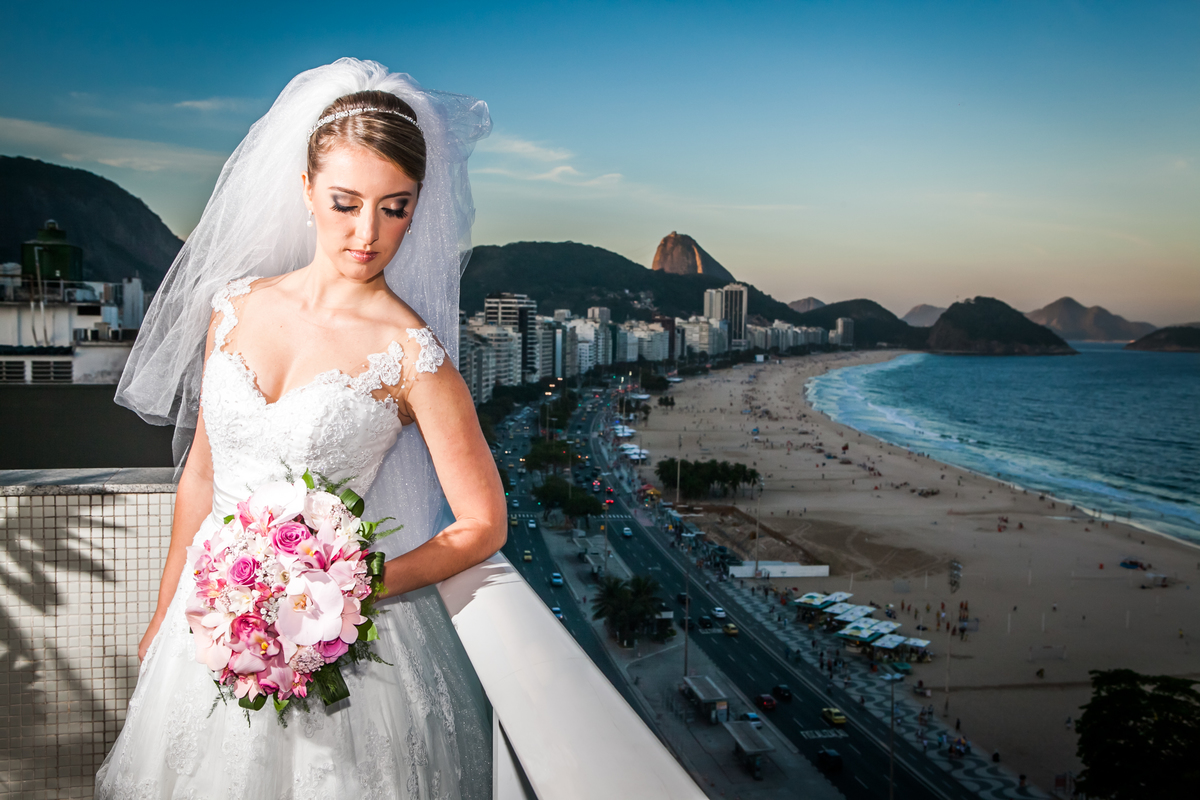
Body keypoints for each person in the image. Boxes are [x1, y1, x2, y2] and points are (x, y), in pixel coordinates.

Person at [97, 60, 500, 799]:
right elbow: (201, 478)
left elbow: (482, 525)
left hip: (339, 646)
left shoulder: (414, 356)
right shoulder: (233, 307)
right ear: (307, 190)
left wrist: (355, 587)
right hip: (211, 620)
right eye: (346, 202)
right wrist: (163, 613)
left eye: (395, 206)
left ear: (418, 207)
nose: (366, 233)